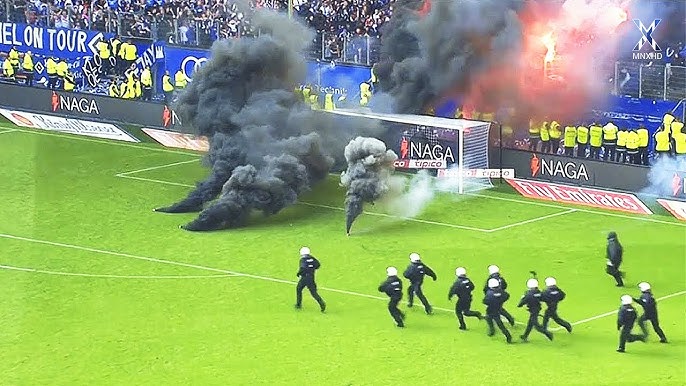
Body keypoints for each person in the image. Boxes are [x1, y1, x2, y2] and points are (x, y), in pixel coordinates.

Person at [295, 246, 326, 312]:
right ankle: (321, 303)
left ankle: (298, 304)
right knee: (313, 292)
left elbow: (302, 268)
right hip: (311, 277)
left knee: (299, 289)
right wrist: (312, 268)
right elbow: (318, 265)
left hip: (304, 278)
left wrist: (298, 273)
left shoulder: (303, 260)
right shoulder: (312, 258)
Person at [483, 278, 513, 343]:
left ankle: (493, 331)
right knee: (499, 324)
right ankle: (508, 336)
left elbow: (485, 301)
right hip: (498, 308)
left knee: (490, 319)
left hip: (491, 309)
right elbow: (507, 296)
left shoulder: (489, 293)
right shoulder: (501, 291)